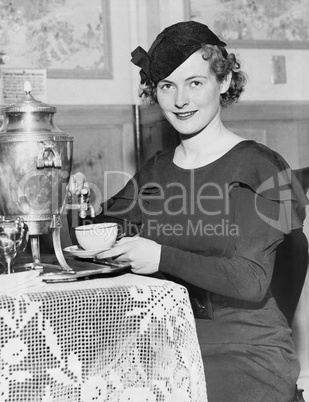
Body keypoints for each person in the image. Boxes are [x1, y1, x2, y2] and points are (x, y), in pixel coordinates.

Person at [69, 21, 309, 401]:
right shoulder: (157, 170)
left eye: (195, 82)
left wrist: (160, 256)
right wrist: (77, 208)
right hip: (167, 343)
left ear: (225, 82)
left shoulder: (263, 166)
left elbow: (251, 281)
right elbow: (101, 233)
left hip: (245, 354)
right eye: (167, 85)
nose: (180, 99)